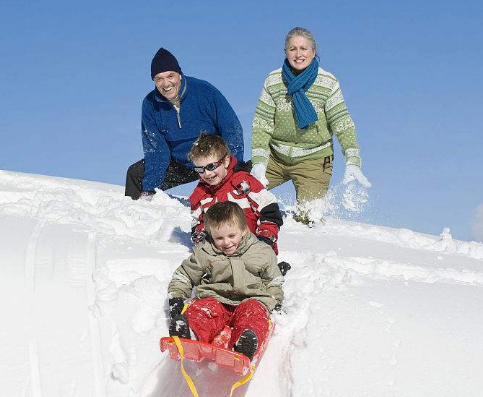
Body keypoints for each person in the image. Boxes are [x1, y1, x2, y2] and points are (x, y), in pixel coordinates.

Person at [249, 27, 370, 223]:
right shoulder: (273, 80)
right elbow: (262, 124)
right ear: (285, 52)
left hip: (313, 159)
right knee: (241, 196)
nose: (298, 54)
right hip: (276, 157)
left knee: (307, 218)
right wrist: (259, 163)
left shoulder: (327, 83)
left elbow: (342, 122)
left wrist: (353, 159)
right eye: (292, 48)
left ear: (313, 52)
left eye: (304, 48)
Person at [166, 201, 284, 359]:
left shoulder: (261, 252)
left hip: (250, 298)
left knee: (254, 314)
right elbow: (185, 274)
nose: (226, 242)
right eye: (219, 238)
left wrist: (275, 300)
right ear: (210, 234)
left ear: (243, 230)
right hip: (217, 298)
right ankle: (191, 333)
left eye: (231, 236)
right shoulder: (205, 252)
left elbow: (273, 280)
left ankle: (245, 341)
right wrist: (177, 296)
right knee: (203, 310)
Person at [125, 48, 244, 200]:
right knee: (136, 174)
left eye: (170, 76)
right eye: (159, 79)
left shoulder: (205, 91)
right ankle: (138, 215)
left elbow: (231, 128)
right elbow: (156, 150)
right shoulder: (150, 104)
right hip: (180, 162)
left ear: (179, 75)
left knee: (228, 188)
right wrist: (148, 189)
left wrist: (234, 165)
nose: (166, 83)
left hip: (211, 159)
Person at [187, 134, 283, 254]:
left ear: (226, 161)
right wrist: (202, 237)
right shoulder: (202, 194)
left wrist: (265, 238)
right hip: (222, 251)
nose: (207, 173)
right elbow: (198, 224)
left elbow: (270, 212)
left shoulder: (243, 182)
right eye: (200, 170)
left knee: (255, 262)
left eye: (211, 166)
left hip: (254, 248)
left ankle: (267, 269)